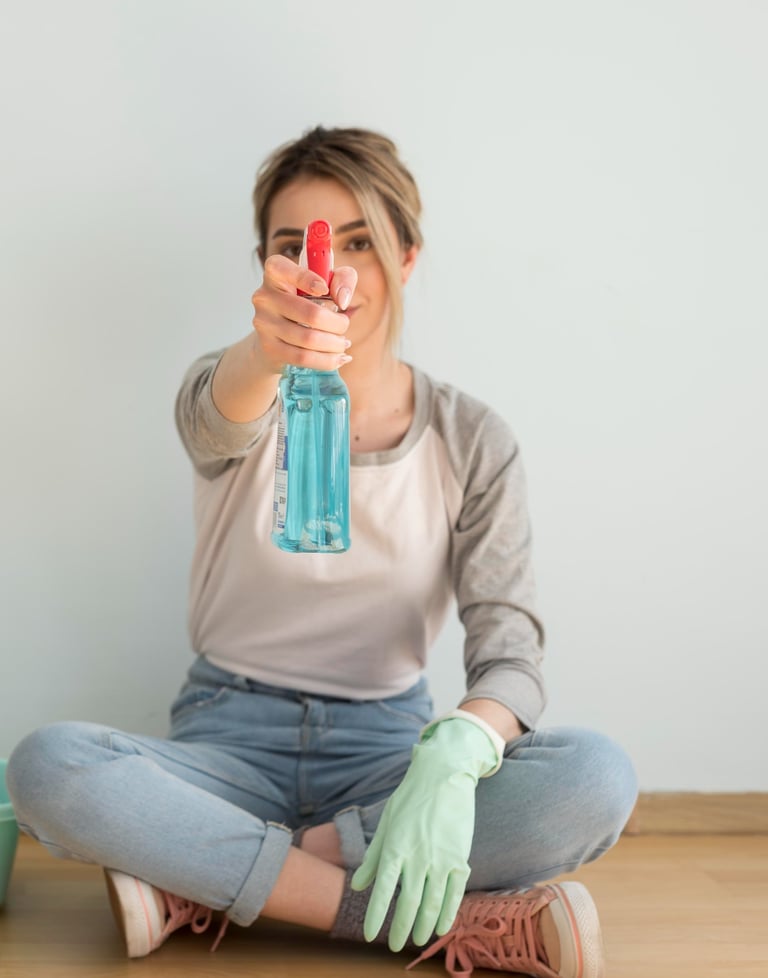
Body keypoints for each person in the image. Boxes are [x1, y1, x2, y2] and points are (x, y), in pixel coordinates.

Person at [7, 126, 638, 978]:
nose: (328, 272)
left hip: (387, 758)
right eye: (296, 246)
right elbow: (217, 416)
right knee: (50, 766)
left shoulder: (471, 438)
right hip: (225, 742)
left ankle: (217, 875)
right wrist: (267, 353)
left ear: (406, 257)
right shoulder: (233, 388)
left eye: (359, 242)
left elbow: (510, 649)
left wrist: (458, 752)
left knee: (595, 778)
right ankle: (422, 920)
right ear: (267, 267)